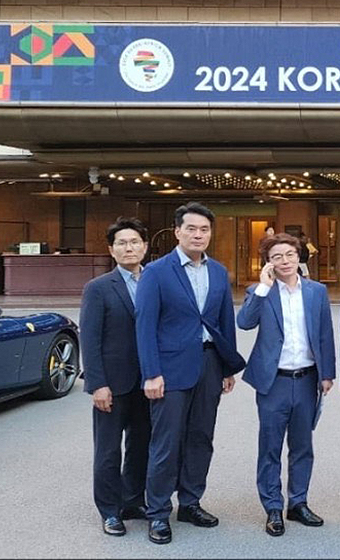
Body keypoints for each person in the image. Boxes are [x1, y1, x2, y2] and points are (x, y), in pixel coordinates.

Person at [135, 202, 246, 545]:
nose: (198, 235)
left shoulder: (218, 272)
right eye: (192, 229)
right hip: (169, 370)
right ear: (177, 232)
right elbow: (145, 325)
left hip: (210, 364)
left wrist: (227, 367)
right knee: (166, 442)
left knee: (201, 438)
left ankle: (190, 502)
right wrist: (151, 373)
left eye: (204, 230)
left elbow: (224, 321)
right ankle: (157, 512)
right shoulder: (156, 272)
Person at [237, 232, 336, 537]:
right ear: (268, 262)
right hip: (273, 382)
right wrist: (263, 287)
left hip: (306, 379)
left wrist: (327, 374)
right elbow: (244, 322)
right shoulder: (261, 291)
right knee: (270, 447)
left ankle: (298, 502)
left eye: (290, 254)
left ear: (299, 256)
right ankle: (272, 507)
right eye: (277, 257)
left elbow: (325, 334)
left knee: (302, 446)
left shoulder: (316, 291)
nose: (285, 261)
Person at [80, 217, 151, 537]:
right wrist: (98, 384)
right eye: (121, 243)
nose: (128, 248)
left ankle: (133, 500)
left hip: (148, 382)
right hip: (112, 383)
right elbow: (90, 339)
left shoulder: (154, 282)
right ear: (111, 250)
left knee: (141, 445)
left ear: (145, 247)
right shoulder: (98, 288)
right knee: (108, 451)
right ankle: (109, 510)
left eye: (134, 242)